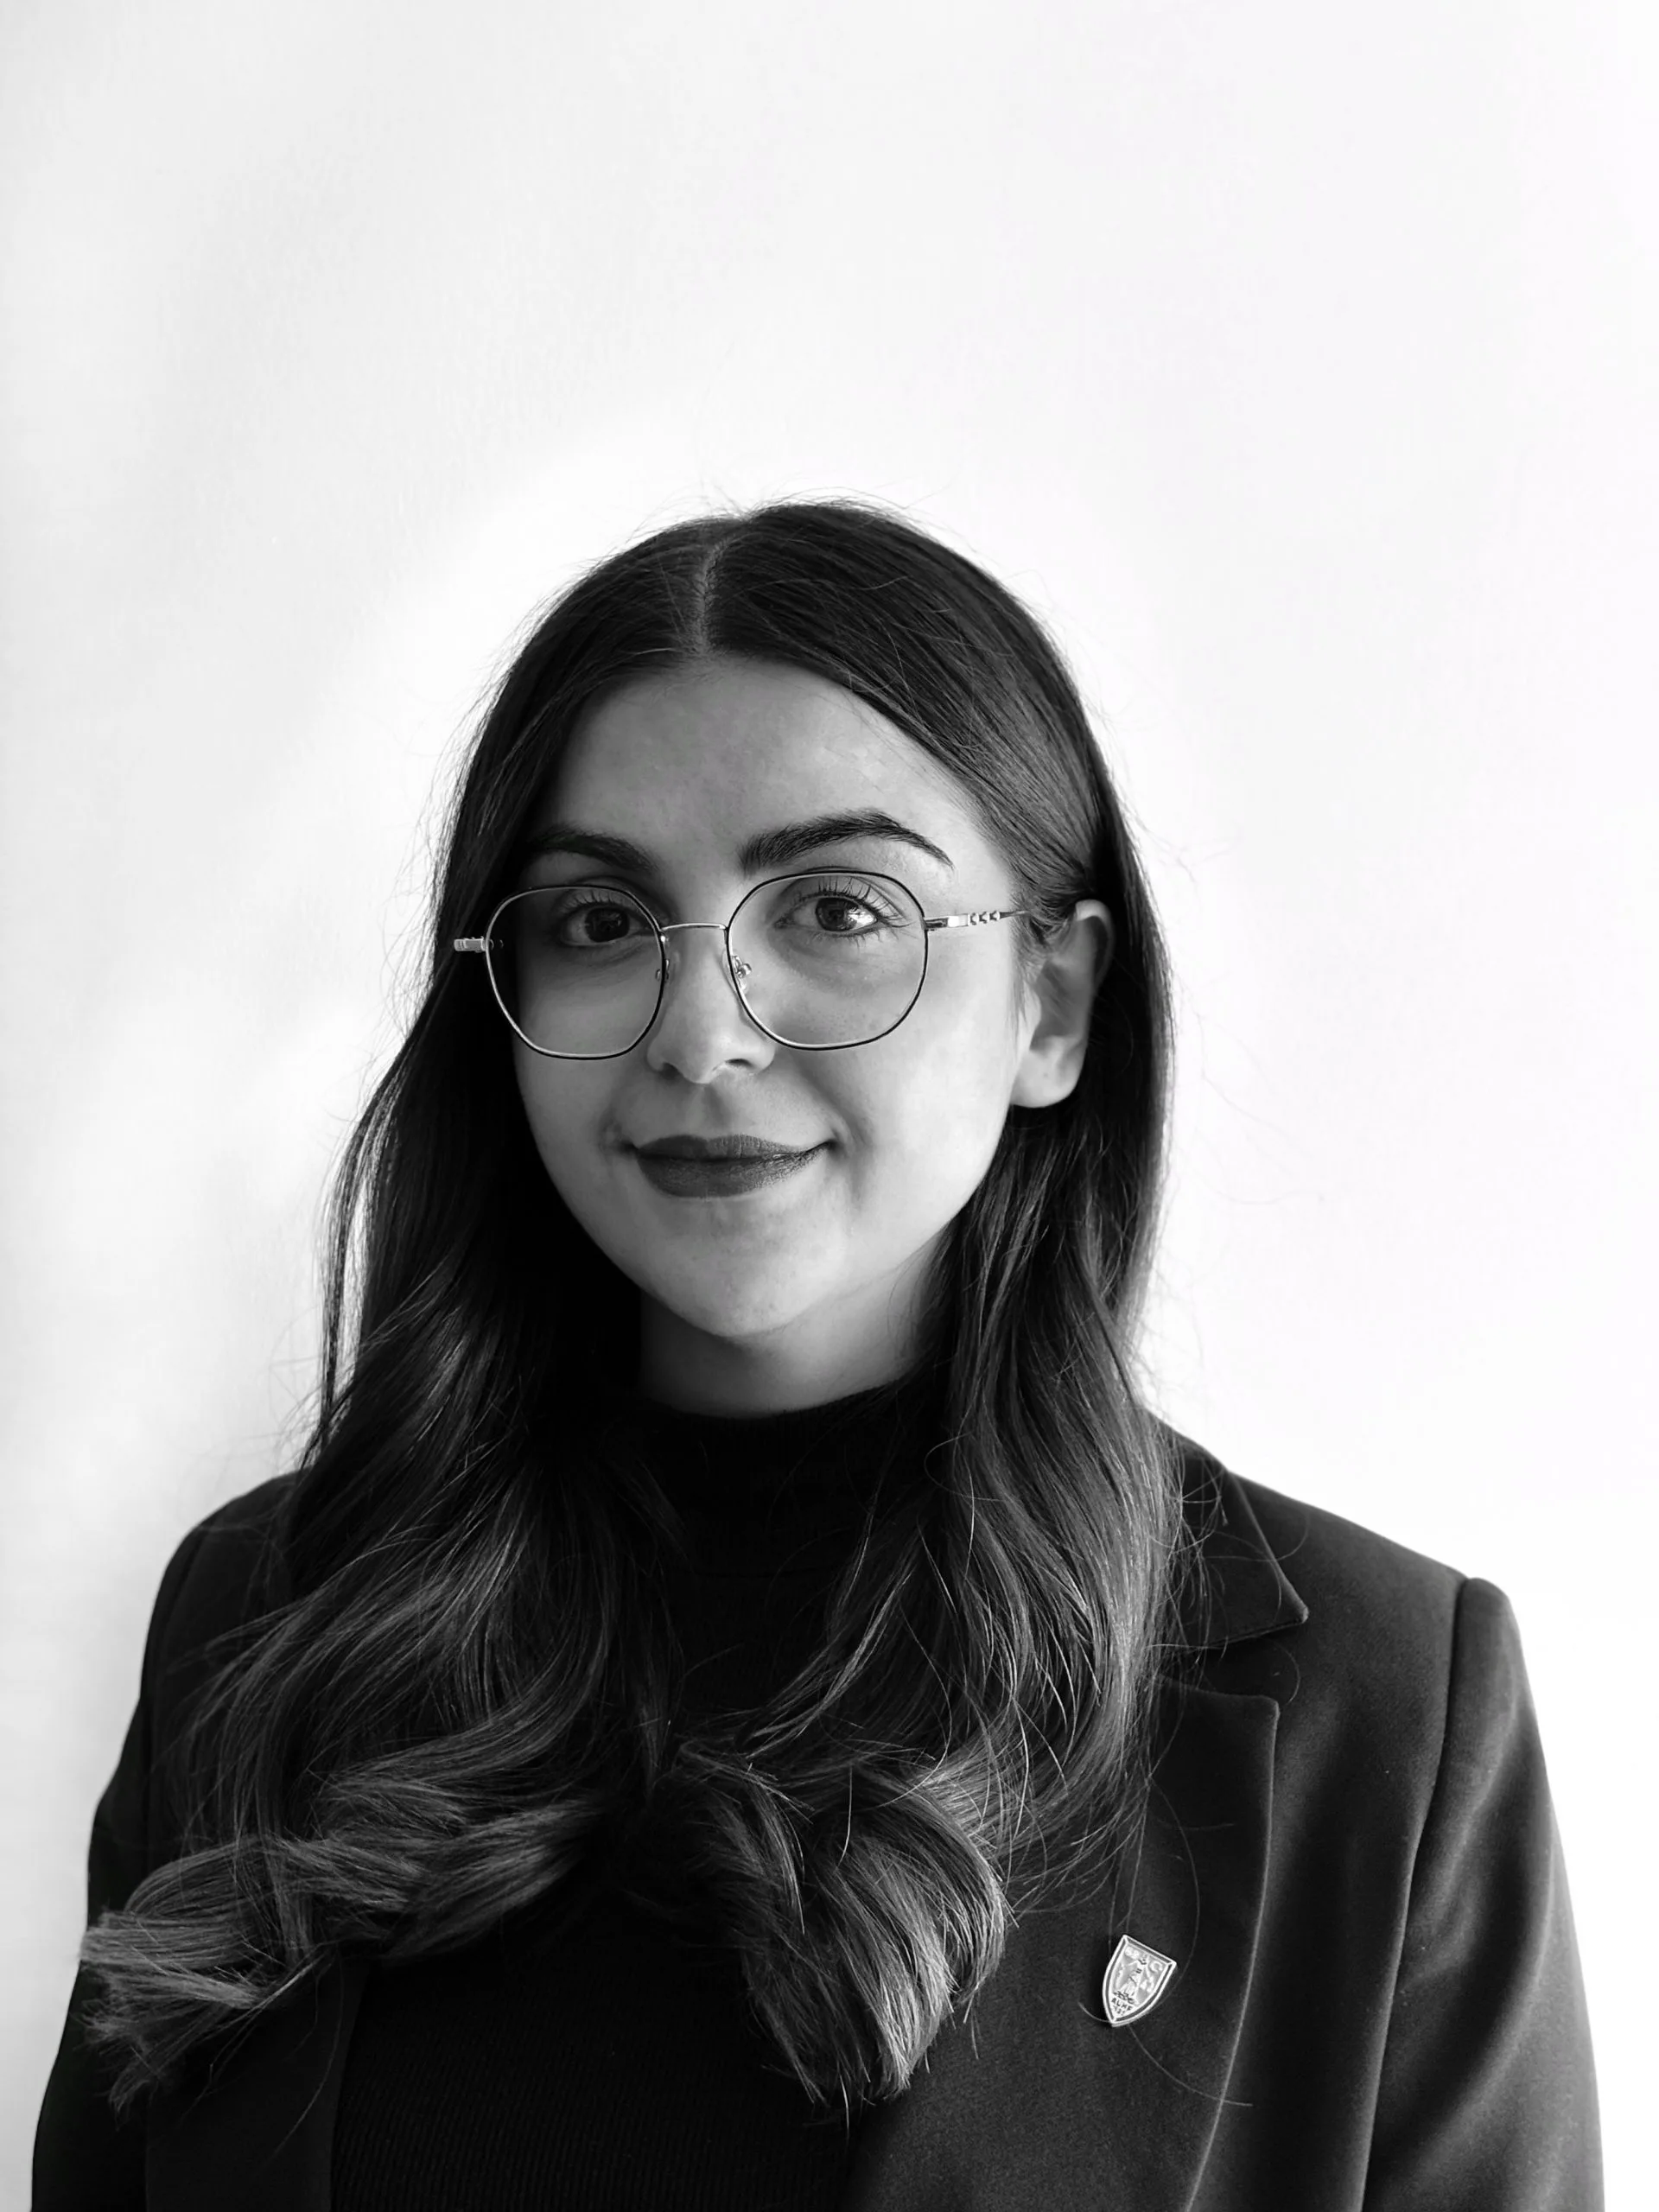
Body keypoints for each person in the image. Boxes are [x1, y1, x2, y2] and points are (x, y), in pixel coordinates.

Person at [34, 498, 1601, 2210]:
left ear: (1055, 1002)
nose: (703, 1034)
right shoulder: (260, 1618)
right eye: (599, 921)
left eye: (841, 910)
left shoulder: (1379, 1705)